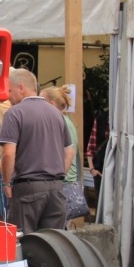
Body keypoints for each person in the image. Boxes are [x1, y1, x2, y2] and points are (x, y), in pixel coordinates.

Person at [0, 68, 73, 234]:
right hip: (56, 188)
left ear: (21, 88)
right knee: (52, 242)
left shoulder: (15, 113)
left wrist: (6, 182)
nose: (7, 97)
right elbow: (69, 151)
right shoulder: (57, 114)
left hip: (27, 188)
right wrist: (58, 176)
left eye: (9, 90)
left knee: (24, 241)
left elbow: (8, 153)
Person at [40, 84, 86, 227]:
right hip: (64, 182)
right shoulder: (65, 120)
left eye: (41, 101)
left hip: (65, 183)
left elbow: (69, 152)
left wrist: (58, 179)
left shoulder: (62, 121)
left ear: (52, 104)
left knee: (55, 229)